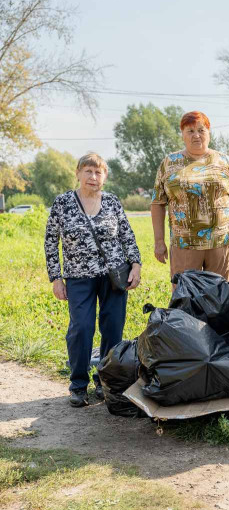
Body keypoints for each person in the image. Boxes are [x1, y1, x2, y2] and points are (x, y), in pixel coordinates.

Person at [45, 153, 142, 407]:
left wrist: (136, 266)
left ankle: (105, 383)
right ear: (78, 173)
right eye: (88, 171)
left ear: (105, 177)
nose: (93, 177)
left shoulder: (112, 202)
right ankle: (78, 384)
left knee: (113, 330)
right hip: (78, 277)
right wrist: (56, 278)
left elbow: (127, 236)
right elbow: (50, 242)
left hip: (113, 276)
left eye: (98, 172)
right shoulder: (63, 203)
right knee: (82, 329)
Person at [150, 111, 229, 281]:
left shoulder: (224, 161)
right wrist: (159, 241)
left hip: (221, 242)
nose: (196, 135)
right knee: (186, 297)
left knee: (221, 297)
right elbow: (158, 203)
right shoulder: (169, 163)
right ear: (182, 135)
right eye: (190, 131)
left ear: (209, 133)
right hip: (184, 244)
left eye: (201, 130)